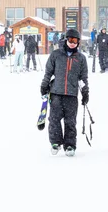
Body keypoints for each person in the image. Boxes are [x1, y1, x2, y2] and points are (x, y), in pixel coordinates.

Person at [40, 28, 89, 157]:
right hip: (56, 92)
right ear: (66, 40)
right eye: (71, 40)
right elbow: (48, 73)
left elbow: (83, 78)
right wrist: (44, 85)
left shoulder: (81, 58)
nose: (73, 43)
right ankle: (55, 142)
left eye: (76, 41)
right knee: (54, 119)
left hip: (72, 95)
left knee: (70, 121)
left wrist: (85, 92)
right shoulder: (56, 55)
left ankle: (70, 144)